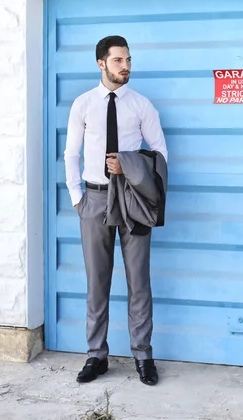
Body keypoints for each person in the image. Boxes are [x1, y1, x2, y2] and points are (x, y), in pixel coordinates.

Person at [64, 35, 168, 385]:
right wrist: (77, 197)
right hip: (93, 199)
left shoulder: (141, 105)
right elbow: (71, 154)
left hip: (131, 200)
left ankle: (143, 355)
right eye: (119, 60)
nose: (126, 66)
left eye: (128, 60)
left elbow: (160, 154)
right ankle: (97, 356)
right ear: (101, 64)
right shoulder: (83, 104)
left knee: (139, 281)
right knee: (97, 282)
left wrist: (128, 166)